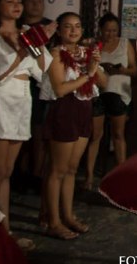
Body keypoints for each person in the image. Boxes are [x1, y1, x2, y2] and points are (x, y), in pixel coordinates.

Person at [0, 0, 54, 251]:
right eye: (10, 1)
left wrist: (39, 44)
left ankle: (4, 229)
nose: (17, 6)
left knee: (6, 173)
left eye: (19, 1)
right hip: (0, 99)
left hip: (21, 100)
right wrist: (28, 46)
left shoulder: (27, 34)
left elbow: (44, 70)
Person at [44, 12, 107, 240]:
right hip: (65, 110)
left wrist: (95, 66)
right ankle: (53, 221)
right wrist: (87, 73)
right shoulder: (56, 53)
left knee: (72, 169)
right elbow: (60, 89)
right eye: (68, 27)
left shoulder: (85, 52)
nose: (73, 31)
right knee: (57, 170)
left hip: (84, 109)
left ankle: (68, 215)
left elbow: (103, 83)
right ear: (59, 31)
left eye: (78, 26)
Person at [83, 12, 137, 190]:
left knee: (118, 135)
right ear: (101, 30)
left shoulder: (124, 43)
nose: (111, 34)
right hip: (98, 93)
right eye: (107, 31)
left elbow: (134, 70)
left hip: (119, 93)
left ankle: (120, 176)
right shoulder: (94, 45)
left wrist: (121, 70)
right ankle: (89, 176)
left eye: (114, 30)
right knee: (95, 136)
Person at [20, 0, 54, 192]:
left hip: (45, 86)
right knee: (22, 132)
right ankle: (20, 173)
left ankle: (37, 174)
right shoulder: (17, 27)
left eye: (38, 0)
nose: (35, 4)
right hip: (21, 84)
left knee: (40, 132)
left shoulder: (51, 27)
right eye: (30, 0)